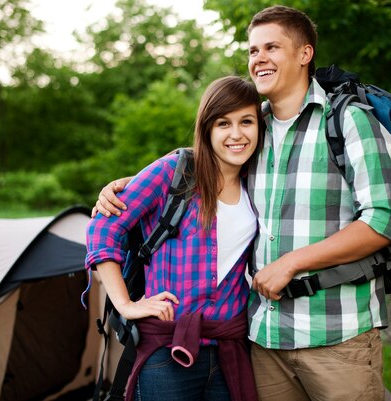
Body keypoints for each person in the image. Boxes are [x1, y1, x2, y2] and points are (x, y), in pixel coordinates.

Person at [95, 6, 391, 401]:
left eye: (271, 47)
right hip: (263, 340)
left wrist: (292, 262)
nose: (259, 58)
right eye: (253, 50)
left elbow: (385, 219)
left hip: (336, 334)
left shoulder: (348, 121)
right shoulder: (253, 125)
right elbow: (206, 162)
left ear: (304, 54)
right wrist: (131, 184)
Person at [86, 76, 264, 401]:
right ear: (207, 128)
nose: (236, 134)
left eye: (246, 122)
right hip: (166, 350)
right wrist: (125, 304)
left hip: (228, 349)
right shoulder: (175, 171)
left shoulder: (259, 180)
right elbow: (103, 229)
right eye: (224, 123)